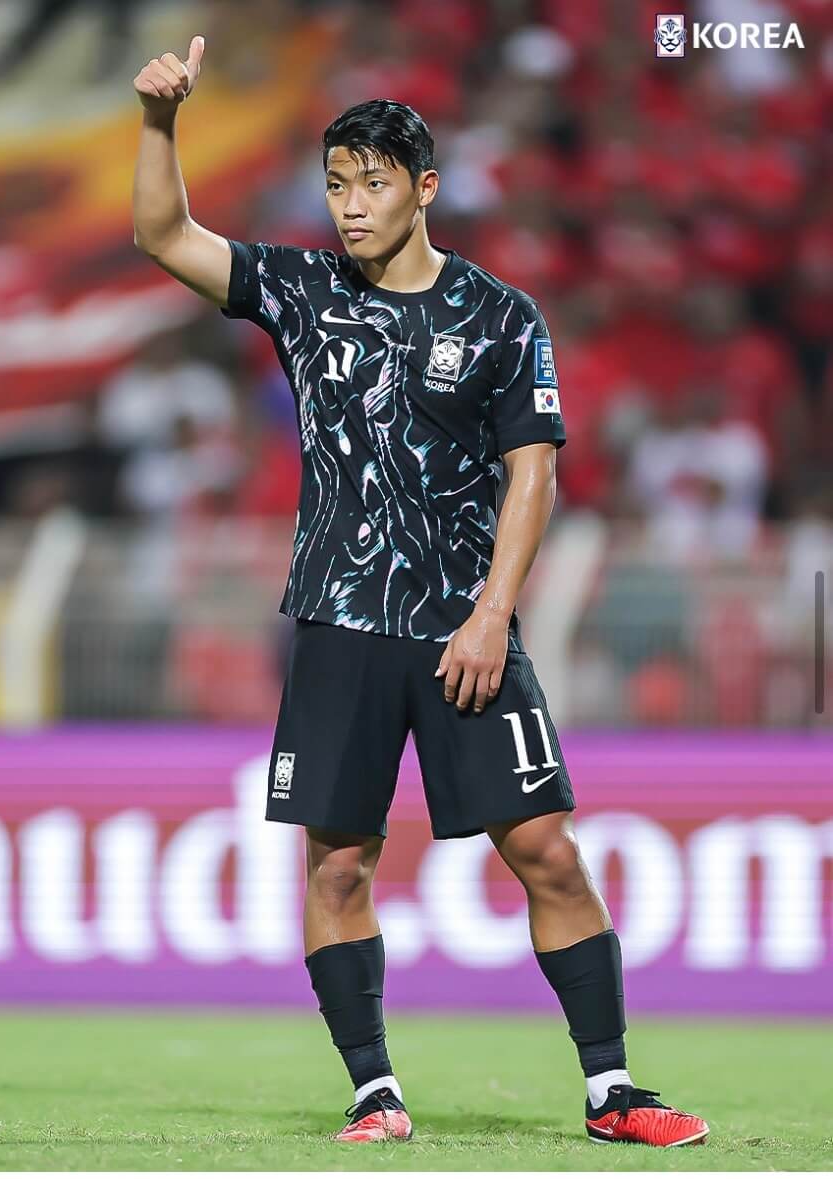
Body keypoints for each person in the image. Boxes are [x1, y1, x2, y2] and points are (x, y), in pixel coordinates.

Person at [130, 38, 709, 1149]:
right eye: (338, 185)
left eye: (374, 184)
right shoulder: (299, 291)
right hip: (340, 622)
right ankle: (374, 1092)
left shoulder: (499, 316)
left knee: (545, 848)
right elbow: (163, 236)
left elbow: (533, 470)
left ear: (425, 188)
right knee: (339, 862)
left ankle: (613, 1090)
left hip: (461, 628)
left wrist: (492, 612)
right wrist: (159, 124)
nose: (351, 207)